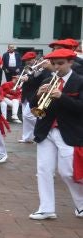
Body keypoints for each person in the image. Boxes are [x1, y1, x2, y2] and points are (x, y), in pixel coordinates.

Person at [28, 48, 83, 220]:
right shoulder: (47, 79)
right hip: (46, 129)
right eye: (54, 64)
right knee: (43, 170)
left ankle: (81, 204)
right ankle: (46, 208)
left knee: (67, 172)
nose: (57, 67)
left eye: (61, 63)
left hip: (68, 130)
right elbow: (34, 106)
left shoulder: (79, 81)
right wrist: (38, 95)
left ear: (70, 63)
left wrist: (62, 96)